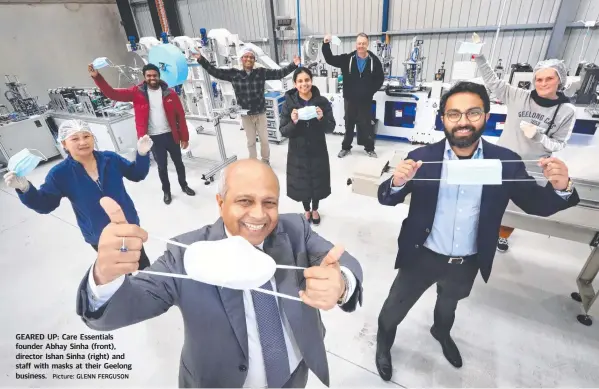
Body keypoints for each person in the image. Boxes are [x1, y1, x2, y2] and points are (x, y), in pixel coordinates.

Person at [75, 158, 364, 388]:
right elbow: (124, 308)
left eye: (269, 202)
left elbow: (343, 261)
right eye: (245, 201)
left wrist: (341, 283)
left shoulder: (295, 230)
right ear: (220, 202)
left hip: (294, 376)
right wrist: (105, 278)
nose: (259, 215)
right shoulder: (187, 253)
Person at [374, 82, 579, 382]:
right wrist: (397, 182)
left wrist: (561, 188)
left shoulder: (505, 162)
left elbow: (536, 203)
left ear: (485, 116)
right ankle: (383, 345)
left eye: (473, 112)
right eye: (454, 114)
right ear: (442, 118)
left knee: (448, 305)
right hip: (422, 256)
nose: (463, 121)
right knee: (392, 310)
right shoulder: (424, 158)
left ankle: (440, 333)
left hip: (466, 262)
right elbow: (386, 197)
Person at [3, 119, 152, 269]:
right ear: (64, 144)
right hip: (99, 235)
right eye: (75, 138)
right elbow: (45, 205)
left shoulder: (111, 159)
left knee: (143, 265)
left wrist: (142, 154)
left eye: (86, 136)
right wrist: (26, 189)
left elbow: (136, 174)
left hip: (127, 225)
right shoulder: (60, 174)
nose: (82, 142)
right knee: (119, 269)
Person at [474, 52, 576, 253]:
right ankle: (481, 231)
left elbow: (559, 144)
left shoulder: (566, 111)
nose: (543, 83)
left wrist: (538, 136)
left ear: (560, 80)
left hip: (529, 168)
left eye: (549, 78)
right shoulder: (519, 96)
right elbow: (494, 83)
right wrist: (480, 58)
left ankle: (502, 235)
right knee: (486, 199)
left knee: (514, 207)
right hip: (499, 160)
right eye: (539, 79)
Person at [88, 62, 196, 205]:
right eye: (149, 75)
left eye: (155, 75)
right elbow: (112, 94)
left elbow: (180, 116)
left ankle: (184, 185)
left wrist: (184, 137)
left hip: (171, 135)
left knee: (179, 163)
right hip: (153, 138)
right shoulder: (136, 92)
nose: (152, 78)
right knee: (162, 167)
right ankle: (167, 192)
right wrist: (97, 77)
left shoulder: (170, 93)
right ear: (144, 77)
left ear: (159, 76)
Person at [193, 48, 300, 165]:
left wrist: (293, 65)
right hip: (246, 115)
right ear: (241, 59)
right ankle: (253, 164)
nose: (249, 59)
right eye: (246, 56)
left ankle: (265, 161)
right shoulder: (234, 73)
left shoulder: (261, 72)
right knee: (251, 142)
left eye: (251, 57)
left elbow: (279, 73)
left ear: (254, 60)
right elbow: (215, 72)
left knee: (264, 141)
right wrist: (201, 60)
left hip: (260, 113)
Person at [279, 67, 335, 225]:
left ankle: (315, 208)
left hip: (318, 148)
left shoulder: (322, 102)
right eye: (300, 81)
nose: (304, 84)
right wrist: (293, 122)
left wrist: (321, 118)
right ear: (295, 84)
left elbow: (330, 127)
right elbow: (283, 131)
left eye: (307, 80)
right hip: (298, 150)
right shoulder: (289, 104)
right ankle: (306, 209)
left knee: (318, 179)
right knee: (302, 181)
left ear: (312, 81)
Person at [322, 32, 385, 158]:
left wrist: (370, 91)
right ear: (356, 45)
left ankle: (369, 148)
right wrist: (326, 44)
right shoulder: (347, 59)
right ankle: (346, 148)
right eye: (359, 43)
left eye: (363, 43)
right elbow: (330, 59)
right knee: (349, 124)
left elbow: (380, 78)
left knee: (366, 125)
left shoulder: (374, 61)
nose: (361, 46)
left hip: (365, 101)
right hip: (350, 100)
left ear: (367, 45)